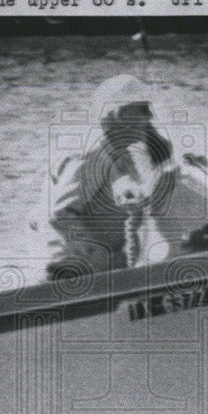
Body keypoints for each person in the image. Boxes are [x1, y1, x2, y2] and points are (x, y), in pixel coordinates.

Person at [35, 75, 176, 279]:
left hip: (99, 272)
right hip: (70, 275)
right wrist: (101, 257)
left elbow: (160, 154)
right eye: (142, 110)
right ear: (117, 115)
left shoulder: (121, 154)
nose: (149, 117)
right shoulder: (91, 157)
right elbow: (59, 215)